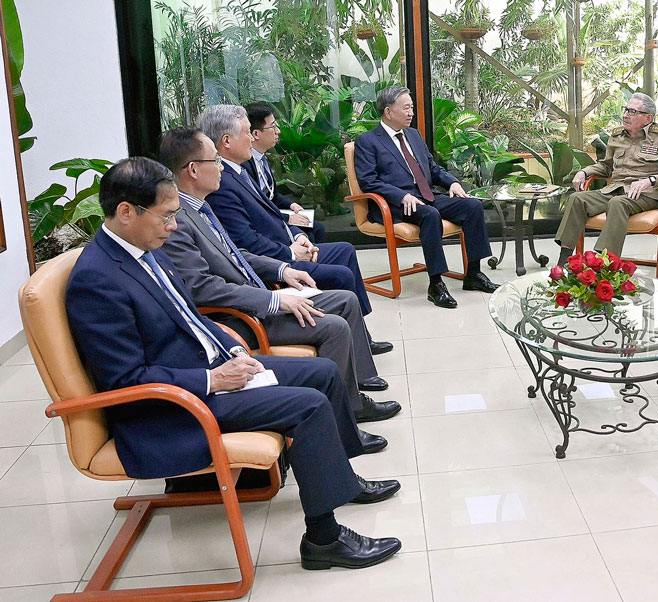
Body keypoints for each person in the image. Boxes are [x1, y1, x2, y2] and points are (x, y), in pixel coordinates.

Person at [66, 157, 404, 570]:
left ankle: (342, 481)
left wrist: (226, 346)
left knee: (323, 373)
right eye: (167, 216)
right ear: (125, 212)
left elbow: (184, 313)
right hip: (170, 406)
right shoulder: (97, 279)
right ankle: (324, 540)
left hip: (204, 368)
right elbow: (124, 379)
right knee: (308, 405)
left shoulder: (141, 248)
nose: (174, 226)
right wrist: (213, 378)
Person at [158, 127, 400, 422]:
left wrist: (282, 269)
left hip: (257, 297)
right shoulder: (179, 219)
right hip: (237, 317)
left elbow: (235, 255)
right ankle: (345, 412)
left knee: (346, 299)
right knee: (334, 326)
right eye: (216, 161)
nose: (222, 167)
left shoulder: (201, 209)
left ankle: (355, 388)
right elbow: (201, 287)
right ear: (193, 170)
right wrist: (273, 299)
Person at [198, 105, 375, 318]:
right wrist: (291, 252)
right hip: (276, 261)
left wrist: (298, 235)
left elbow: (272, 210)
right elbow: (245, 241)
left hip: (286, 245)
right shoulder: (223, 183)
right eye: (247, 133)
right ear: (226, 141)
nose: (251, 139)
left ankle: (360, 329)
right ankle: (346, 328)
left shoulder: (241, 171)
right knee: (341, 274)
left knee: (344, 250)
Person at [353, 85, 498, 309]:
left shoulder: (413, 134)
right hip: (396, 204)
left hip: (426, 196)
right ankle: (436, 284)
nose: (411, 113)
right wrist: (401, 196)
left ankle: (473, 274)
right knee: (430, 215)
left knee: (472, 207)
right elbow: (368, 182)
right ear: (388, 112)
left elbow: (432, 168)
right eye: (406, 108)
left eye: (412, 108)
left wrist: (453, 182)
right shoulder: (367, 141)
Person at [553, 92, 658, 263]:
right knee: (577, 199)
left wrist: (649, 181)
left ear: (648, 118)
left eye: (632, 112)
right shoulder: (617, 136)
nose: (625, 115)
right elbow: (606, 166)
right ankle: (564, 261)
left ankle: (604, 264)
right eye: (626, 110)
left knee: (617, 203)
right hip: (616, 189)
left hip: (646, 194)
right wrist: (585, 172)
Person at [242, 101, 327, 243]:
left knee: (317, 228)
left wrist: (291, 206)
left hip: (274, 214)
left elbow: (272, 195)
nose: (278, 131)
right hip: (263, 221)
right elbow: (255, 206)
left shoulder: (262, 158)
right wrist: (287, 218)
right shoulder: (245, 165)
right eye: (273, 127)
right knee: (307, 234)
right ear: (256, 134)